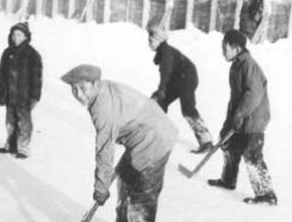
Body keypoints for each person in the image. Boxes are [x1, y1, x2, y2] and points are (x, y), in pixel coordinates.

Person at [61, 64, 178, 222]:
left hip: (154, 141)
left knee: (141, 196)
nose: (79, 95)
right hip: (144, 136)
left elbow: (105, 149)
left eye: (82, 88)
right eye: (74, 89)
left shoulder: (102, 108)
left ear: (95, 84)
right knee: (125, 177)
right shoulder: (103, 90)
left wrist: (101, 189)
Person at [208, 30, 277, 206]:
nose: (222, 52)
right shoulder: (237, 65)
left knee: (252, 154)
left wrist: (238, 115)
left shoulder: (248, 65)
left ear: (237, 48)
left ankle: (267, 195)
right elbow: (235, 98)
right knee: (229, 144)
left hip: (255, 118)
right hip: (242, 115)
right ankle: (228, 180)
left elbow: (253, 94)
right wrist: (228, 122)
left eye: (225, 48)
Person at [147, 24, 213, 153]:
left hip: (187, 78)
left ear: (159, 40)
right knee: (157, 101)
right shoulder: (163, 50)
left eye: (151, 40)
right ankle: (153, 133)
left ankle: (206, 141)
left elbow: (165, 73)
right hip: (178, 79)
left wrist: (162, 90)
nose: (149, 43)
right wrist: (161, 92)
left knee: (187, 109)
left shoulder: (166, 53)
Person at [0, 22, 42, 158]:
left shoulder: (32, 55)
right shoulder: (7, 52)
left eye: (19, 35)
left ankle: (23, 148)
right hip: (9, 94)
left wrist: (35, 97)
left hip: (24, 96)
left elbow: (37, 78)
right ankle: (11, 144)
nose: (16, 38)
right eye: (14, 35)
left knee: (24, 122)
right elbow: (1, 73)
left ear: (26, 37)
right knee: (10, 121)